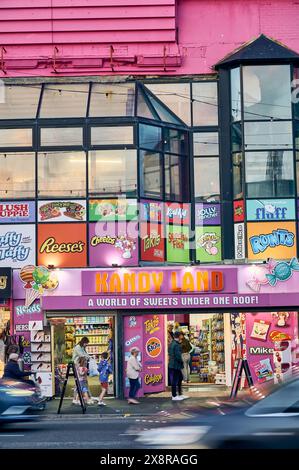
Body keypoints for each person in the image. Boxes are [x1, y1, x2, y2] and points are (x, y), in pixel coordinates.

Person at [168, 331, 189, 401]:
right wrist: (182, 361)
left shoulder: (173, 343)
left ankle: (179, 394)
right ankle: (174, 396)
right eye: (181, 335)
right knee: (175, 380)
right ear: (179, 336)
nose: (182, 336)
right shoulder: (176, 344)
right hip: (175, 365)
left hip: (173, 364)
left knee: (179, 378)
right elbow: (178, 356)